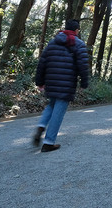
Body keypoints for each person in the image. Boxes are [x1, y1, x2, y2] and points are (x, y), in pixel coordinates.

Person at [33, 19, 90, 152]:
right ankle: (48, 142)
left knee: (51, 105)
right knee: (58, 112)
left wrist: (39, 81)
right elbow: (83, 65)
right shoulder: (79, 44)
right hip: (67, 83)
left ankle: (41, 125)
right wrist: (84, 82)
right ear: (77, 31)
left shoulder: (53, 42)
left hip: (51, 81)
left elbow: (42, 63)